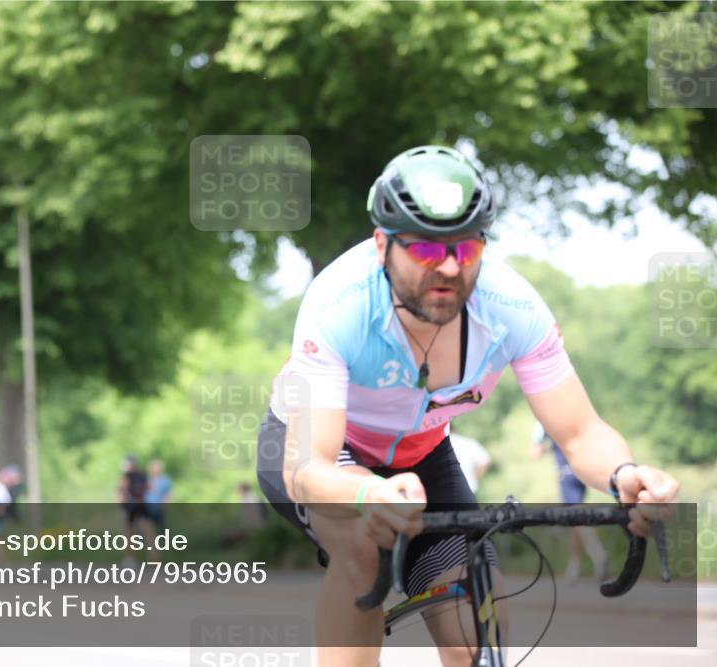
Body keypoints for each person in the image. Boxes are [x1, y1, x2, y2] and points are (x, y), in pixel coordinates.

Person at [256, 145, 681, 667]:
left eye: (467, 250)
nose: (451, 269)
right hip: (327, 452)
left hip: (422, 456)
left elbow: (579, 433)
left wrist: (624, 474)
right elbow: (307, 469)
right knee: (361, 551)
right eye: (429, 252)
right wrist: (371, 490)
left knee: (475, 617)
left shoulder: (512, 307)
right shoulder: (337, 304)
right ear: (382, 243)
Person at [531, 421, 610, 583]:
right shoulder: (571, 413)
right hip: (582, 473)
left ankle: (597, 553)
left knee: (576, 515)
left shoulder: (542, 420)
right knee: (575, 519)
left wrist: (550, 448)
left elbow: (534, 452)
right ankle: (574, 567)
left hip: (566, 474)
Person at [117, 455, 153, 564]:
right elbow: (150, 488)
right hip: (142, 505)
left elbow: (122, 490)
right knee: (148, 531)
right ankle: (154, 558)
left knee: (130, 533)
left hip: (132, 506)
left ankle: (130, 558)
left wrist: (121, 502)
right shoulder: (143, 475)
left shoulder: (127, 476)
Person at [448, 430, 491, 494]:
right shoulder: (468, 442)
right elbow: (486, 460)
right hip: (468, 488)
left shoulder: (439, 445)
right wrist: (475, 476)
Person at [145, 459, 173, 531]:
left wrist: (165, 504)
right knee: (147, 527)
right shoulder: (147, 479)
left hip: (159, 507)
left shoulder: (165, 480)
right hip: (147, 507)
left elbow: (168, 494)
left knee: (162, 527)